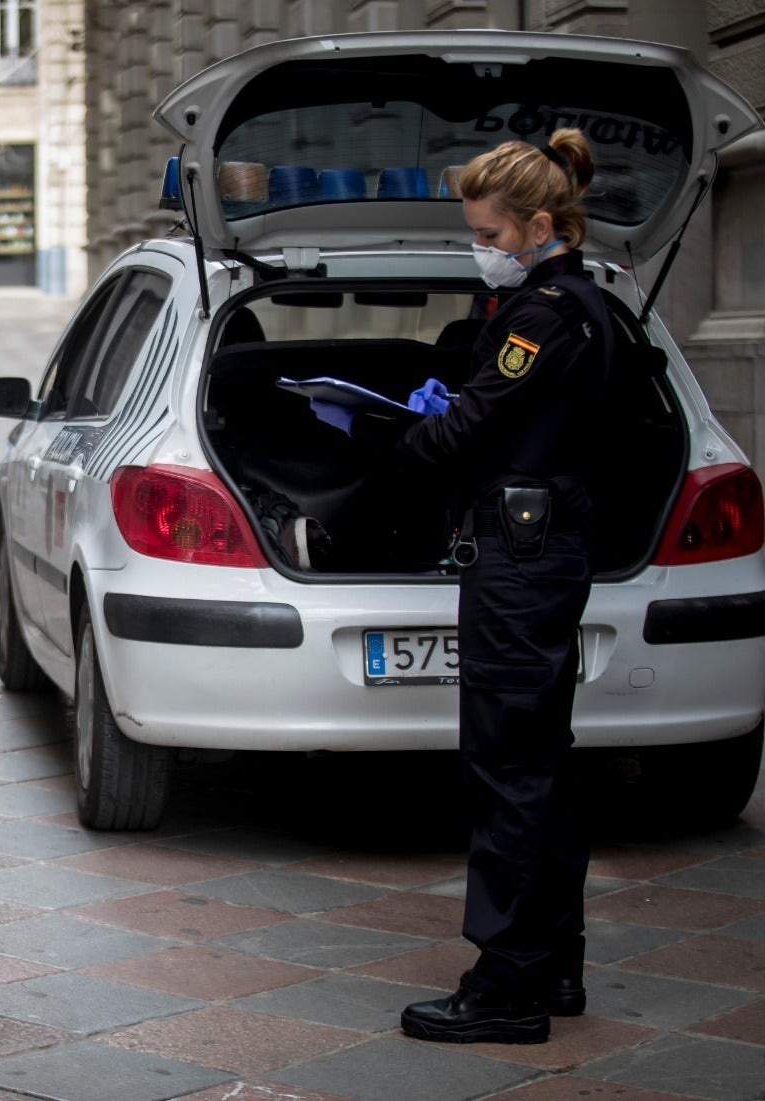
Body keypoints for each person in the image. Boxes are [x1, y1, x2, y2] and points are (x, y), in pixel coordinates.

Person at [314, 130, 611, 1044]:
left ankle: (506, 987)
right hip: (544, 553)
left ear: (540, 224)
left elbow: (463, 437)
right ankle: (552, 961)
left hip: (521, 562)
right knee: (543, 765)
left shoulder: (541, 317)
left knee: (509, 770)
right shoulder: (584, 304)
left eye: (488, 230)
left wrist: (379, 430)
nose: (478, 244)